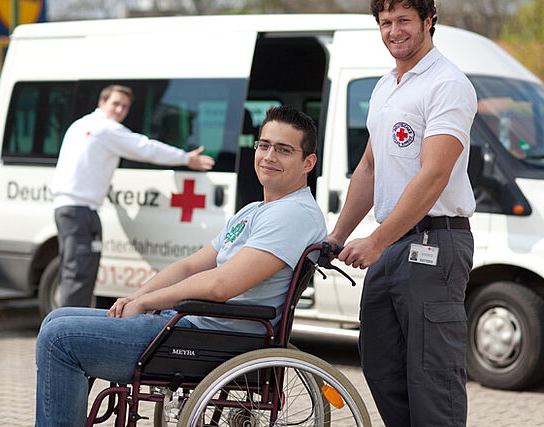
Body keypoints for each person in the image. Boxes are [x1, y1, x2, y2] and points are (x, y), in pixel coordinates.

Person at [36, 106, 326, 426]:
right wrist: (135, 299)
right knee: (57, 317)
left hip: (212, 340)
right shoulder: (255, 210)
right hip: (191, 326)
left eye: (284, 149)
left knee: (60, 339)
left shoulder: (293, 214)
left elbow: (221, 285)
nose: (269, 155)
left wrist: (147, 302)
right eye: (264, 145)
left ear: (307, 163)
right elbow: (190, 267)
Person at [327, 1, 477, 426]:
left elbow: (434, 175)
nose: (394, 31)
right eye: (386, 22)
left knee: (433, 380)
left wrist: (376, 240)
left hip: (435, 241)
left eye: (404, 20)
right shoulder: (385, 87)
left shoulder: (447, 83)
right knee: (380, 365)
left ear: (429, 21)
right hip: (392, 242)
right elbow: (370, 167)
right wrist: (338, 235)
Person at [51, 84, 215, 308]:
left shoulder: (80, 125)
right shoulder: (106, 129)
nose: (120, 110)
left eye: (125, 107)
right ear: (102, 103)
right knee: (79, 275)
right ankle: (66, 329)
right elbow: (145, 148)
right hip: (80, 211)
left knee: (73, 272)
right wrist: (186, 158)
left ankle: (66, 323)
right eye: (115, 104)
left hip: (69, 209)